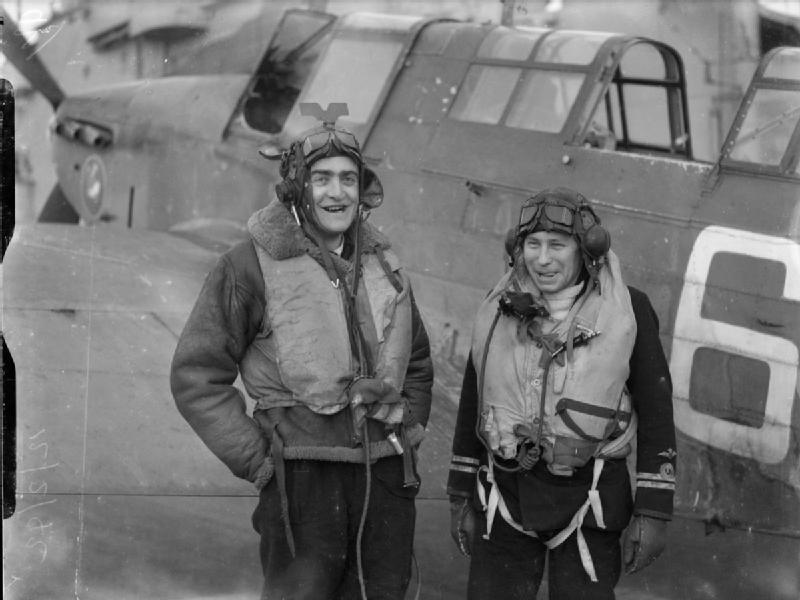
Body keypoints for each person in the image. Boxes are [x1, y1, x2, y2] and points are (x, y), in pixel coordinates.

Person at [170, 103, 433, 600]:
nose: (337, 193)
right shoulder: (247, 265)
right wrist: (258, 461)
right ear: (297, 188)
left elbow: (416, 362)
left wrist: (409, 431)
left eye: (349, 180)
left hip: (386, 480)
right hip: (300, 482)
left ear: (364, 190)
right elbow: (196, 376)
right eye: (322, 179)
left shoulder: (386, 265)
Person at [447, 187, 676, 599]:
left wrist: (653, 510)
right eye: (532, 244)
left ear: (586, 250)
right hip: (505, 493)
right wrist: (460, 492)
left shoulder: (628, 310)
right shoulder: (499, 308)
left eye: (558, 244)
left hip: (590, 499)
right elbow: (473, 399)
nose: (543, 258)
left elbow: (656, 409)